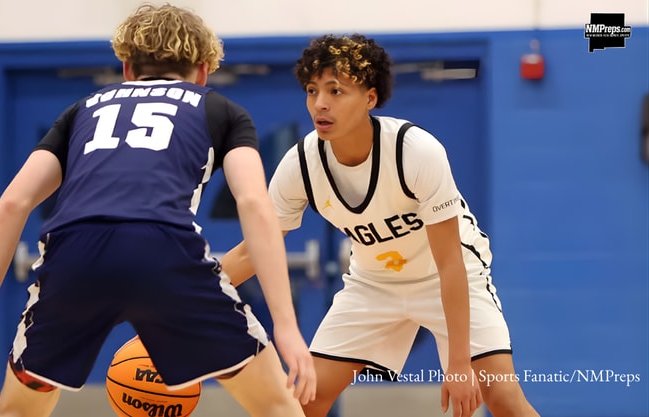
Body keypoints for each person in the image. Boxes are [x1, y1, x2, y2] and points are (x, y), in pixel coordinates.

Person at [0, 4, 316, 417]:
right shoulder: (219, 108)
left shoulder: (83, 110)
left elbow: (13, 203)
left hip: (74, 257)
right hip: (166, 252)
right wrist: (288, 327)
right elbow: (254, 204)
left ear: (126, 69)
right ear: (203, 71)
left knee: (17, 411)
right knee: (276, 406)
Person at [219, 34, 541, 417]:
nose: (320, 103)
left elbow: (451, 263)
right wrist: (183, 297)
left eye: (336, 90)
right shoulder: (301, 163)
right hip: (373, 284)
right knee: (305, 402)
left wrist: (458, 364)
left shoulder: (416, 151)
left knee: (502, 399)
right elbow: (255, 249)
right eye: (312, 90)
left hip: (450, 277)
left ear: (370, 98)